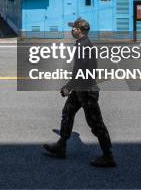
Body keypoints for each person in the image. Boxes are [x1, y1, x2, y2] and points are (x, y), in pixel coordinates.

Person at [43, 18, 116, 167]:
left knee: (96, 124)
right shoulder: (83, 44)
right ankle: (61, 145)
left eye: (74, 28)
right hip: (80, 89)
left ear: (79, 30)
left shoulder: (84, 46)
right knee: (67, 113)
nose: (72, 30)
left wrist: (68, 87)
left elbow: (80, 71)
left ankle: (108, 156)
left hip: (87, 90)